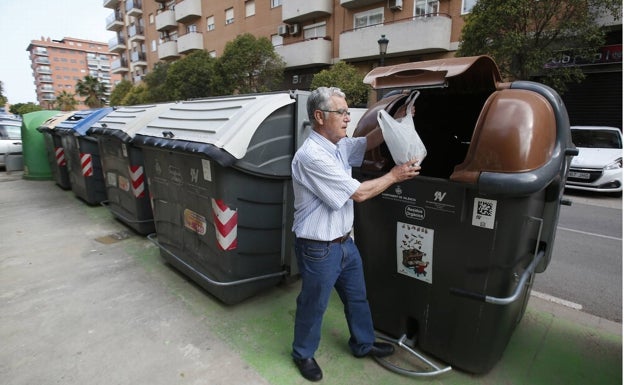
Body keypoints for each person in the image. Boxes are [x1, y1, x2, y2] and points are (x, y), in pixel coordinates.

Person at [291, 87, 421, 382]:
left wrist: (396, 120)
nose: (348, 118)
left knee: (357, 298)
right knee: (314, 304)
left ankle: (363, 343)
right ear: (319, 117)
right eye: (343, 113)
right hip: (318, 248)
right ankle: (303, 353)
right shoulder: (311, 156)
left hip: (344, 243)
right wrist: (395, 175)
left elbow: (370, 140)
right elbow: (359, 194)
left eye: (349, 112)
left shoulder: (338, 146)